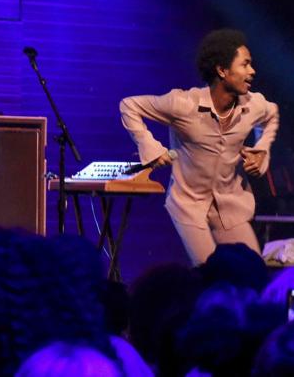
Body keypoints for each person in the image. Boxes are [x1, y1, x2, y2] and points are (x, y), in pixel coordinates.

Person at [120, 29, 279, 265]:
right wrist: (153, 148)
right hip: (188, 204)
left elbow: (272, 114)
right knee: (207, 272)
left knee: (251, 269)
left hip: (229, 204)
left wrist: (261, 150)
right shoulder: (183, 105)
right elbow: (129, 106)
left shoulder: (253, 105)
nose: (252, 71)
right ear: (222, 70)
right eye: (245, 65)